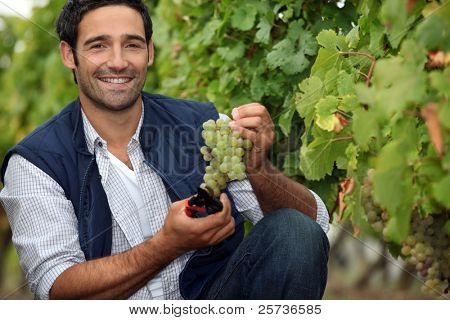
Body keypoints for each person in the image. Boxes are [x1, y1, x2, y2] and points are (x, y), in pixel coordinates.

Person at [0, 0, 329, 300]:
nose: (118, 61)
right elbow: (57, 290)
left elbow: (311, 228)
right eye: (98, 46)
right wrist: (166, 245)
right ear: (68, 55)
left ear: (150, 53)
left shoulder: (203, 124)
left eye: (132, 45)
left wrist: (259, 168)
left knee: (295, 231)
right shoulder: (35, 162)